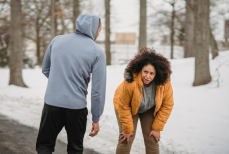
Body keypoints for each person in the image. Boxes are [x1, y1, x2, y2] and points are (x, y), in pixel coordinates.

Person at [36, 14, 106, 154]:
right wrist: (96, 118)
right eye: (99, 29)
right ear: (94, 29)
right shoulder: (97, 51)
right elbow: (97, 90)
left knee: (44, 145)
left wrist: (60, 82)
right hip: (76, 108)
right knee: (75, 149)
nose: (99, 33)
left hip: (52, 105)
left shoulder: (57, 40)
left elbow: (46, 69)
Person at [113, 47, 174, 154]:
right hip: (128, 108)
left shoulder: (164, 83)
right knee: (126, 139)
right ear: (140, 70)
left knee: (152, 138)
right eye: (145, 72)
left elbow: (167, 105)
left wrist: (157, 128)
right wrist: (127, 130)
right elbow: (124, 106)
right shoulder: (130, 82)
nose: (147, 76)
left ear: (157, 74)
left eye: (152, 73)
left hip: (148, 108)